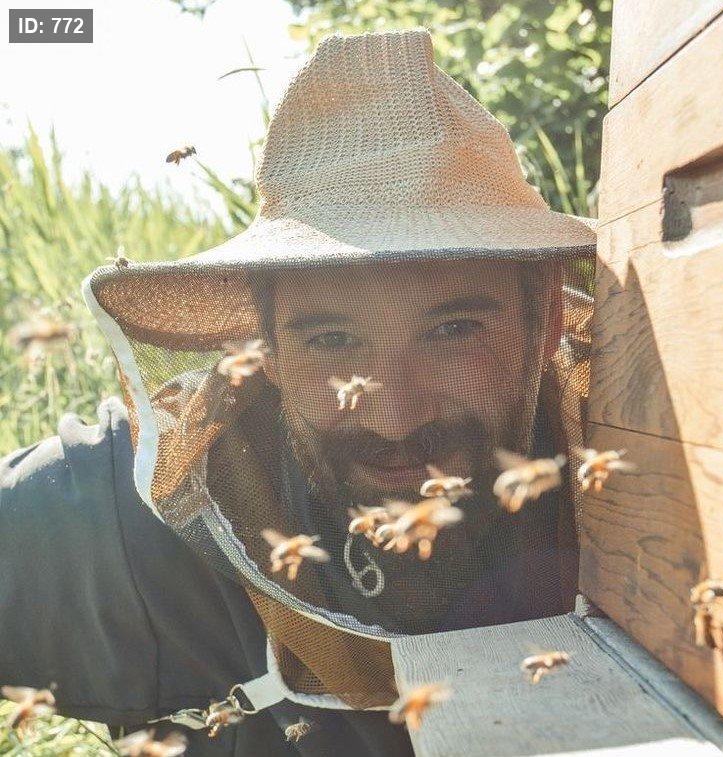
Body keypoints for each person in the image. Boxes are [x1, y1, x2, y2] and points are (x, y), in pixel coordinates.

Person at [0, 28, 595, 756]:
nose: (393, 417)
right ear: (267, 351)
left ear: (543, 326)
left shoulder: (638, 458)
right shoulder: (122, 512)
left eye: (453, 330)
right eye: (331, 340)